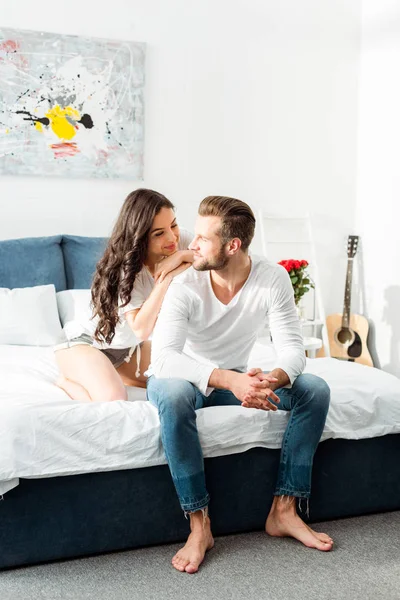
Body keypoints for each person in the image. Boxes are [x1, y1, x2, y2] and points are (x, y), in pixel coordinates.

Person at [147, 195, 333, 574]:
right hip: (188, 378)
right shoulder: (185, 284)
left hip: (238, 378)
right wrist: (231, 380)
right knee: (172, 393)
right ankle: (200, 525)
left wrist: (270, 380)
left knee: (314, 389)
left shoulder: (272, 278)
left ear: (233, 246)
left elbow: (292, 350)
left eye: (202, 238)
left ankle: (284, 509)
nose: (190, 245)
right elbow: (163, 358)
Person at [54, 188, 193, 403]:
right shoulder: (124, 270)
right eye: (159, 233)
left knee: (189, 379)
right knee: (114, 398)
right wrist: (167, 276)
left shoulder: (179, 240)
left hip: (127, 349)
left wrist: (183, 255)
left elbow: (212, 257)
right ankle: (66, 380)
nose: (172, 237)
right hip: (86, 343)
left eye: (173, 224)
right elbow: (141, 327)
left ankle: (108, 373)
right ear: (140, 238)